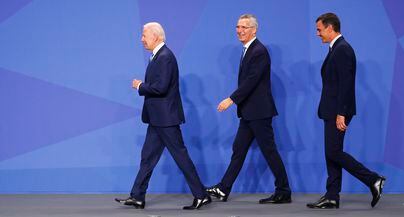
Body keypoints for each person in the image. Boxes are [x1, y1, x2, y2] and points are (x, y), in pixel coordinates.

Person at [115, 22, 211, 210]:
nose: (141, 39)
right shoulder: (157, 56)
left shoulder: (165, 57)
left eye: (144, 35)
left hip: (166, 119)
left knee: (180, 157)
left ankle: (201, 195)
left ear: (156, 36)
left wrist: (140, 86)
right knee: (147, 157)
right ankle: (137, 197)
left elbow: (161, 87)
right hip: (157, 118)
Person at [206, 14, 292, 204]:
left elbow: (252, 81)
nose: (239, 30)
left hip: (259, 112)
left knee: (269, 151)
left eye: (244, 27)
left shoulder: (259, 51)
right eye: (237, 27)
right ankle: (223, 188)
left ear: (254, 30)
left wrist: (231, 99)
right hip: (250, 112)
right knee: (239, 149)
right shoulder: (249, 50)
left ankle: (284, 190)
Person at [307, 12, 385, 209]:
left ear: (330, 28)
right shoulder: (336, 48)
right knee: (331, 152)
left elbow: (346, 84)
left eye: (319, 30)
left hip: (337, 111)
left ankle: (373, 179)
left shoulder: (342, 49)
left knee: (333, 152)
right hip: (332, 109)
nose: (317, 34)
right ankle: (332, 196)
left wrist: (342, 112)